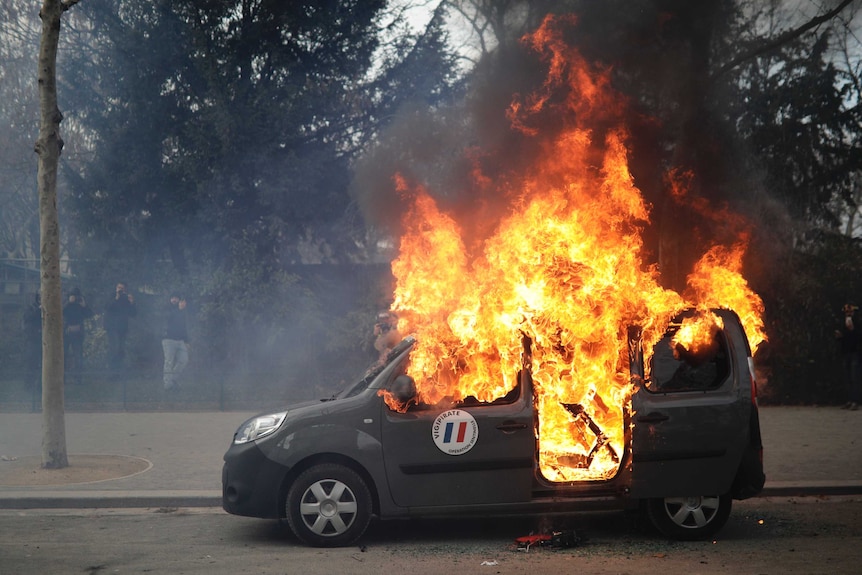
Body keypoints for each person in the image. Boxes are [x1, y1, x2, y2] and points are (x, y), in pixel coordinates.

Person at [104, 281, 137, 371]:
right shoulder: (112, 296)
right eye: (118, 287)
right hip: (112, 327)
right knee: (114, 349)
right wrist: (116, 298)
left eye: (122, 288)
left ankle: (118, 371)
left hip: (122, 328)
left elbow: (133, 314)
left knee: (121, 350)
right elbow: (107, 307)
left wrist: (132, 303)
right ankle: (111, 372)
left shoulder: (126, 299)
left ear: (125, 289)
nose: (120, 290)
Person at [62, 287, 93, 384]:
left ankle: (78, 378)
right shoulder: (67, 304)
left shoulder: (81, 304)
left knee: (78, 355)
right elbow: (61, 311)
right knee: (63, 355)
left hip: (78, 332)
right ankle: (63, 378)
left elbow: (89, 314)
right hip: (67, 331)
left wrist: (84, 305)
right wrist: (68, 302)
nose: (75, 298)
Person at [836, 303, 861, 411]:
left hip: (855, 352)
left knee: (855, 378)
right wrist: (839, 336)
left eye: (850, 312)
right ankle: (850, 400)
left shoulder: (858, 322)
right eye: (847, 312)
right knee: (848, 378)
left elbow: (858, 337)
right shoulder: (843, 323)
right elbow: (843, 338)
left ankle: (856, 401)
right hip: (846, 352)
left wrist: (852, 330)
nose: (848, 314)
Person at [162, 293, 189, 391]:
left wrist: (187, 341)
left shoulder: (182, 311)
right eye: (172, 298)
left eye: (176, 298)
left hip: (180, 340)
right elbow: (169, 317)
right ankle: (167, 385)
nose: (174, 300)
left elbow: (184, 326)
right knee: (169, 362)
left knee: (184, 360)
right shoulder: (167, 308)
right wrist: (179, 309)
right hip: (168, 339)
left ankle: (172, 379)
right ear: (170, 299)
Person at [21, 291, 42, 389]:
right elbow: (28, 318)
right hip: (32, 340)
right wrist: (38, 310)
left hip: (44, 340)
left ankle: (40, 385)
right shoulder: (31, 308)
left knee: (43, 364)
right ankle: (28, 385)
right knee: (31, 363)